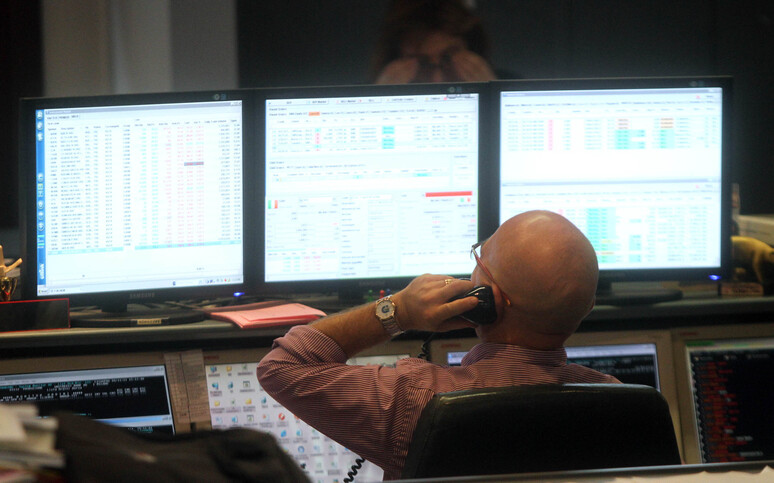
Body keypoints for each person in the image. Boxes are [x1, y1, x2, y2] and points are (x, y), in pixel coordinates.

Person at [256, 210, 620, 480]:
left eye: (479, 259)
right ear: (587, 308)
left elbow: (284, 365)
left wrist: (397, 311)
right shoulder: (621, 405)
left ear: (487, 297)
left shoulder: (417, 401)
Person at [370, 0, 498, 84]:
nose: (437, 80)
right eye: (422, 63)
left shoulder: (503, 85)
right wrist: (380, 98)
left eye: (448, 59)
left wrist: (491, 94)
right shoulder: (363, 94)